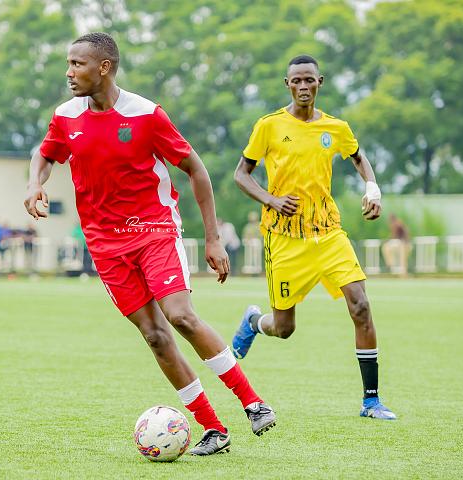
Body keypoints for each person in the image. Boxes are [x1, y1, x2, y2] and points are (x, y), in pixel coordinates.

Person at [24, 32, 276, 456]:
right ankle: (214, 430)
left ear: (104, 67)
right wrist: (35, 183)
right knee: (155, 336)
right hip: (104, 245)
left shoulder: (146, 115)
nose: (69, 72)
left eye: (77, 64)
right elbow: (45, 154)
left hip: (154, 230)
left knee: (180, 316)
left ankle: (253, 403)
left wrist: (213, 239)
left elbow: (196, 169)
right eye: (68, 63)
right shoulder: (66, 116)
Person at [231, 55, 396, 420]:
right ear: (287, 84)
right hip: (284, 239)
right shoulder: (269, 126)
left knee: (360, 305)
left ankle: (371, 401)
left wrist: (372, 188)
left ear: (320, 82)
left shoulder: (336, 127)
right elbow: (241, 174)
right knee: (284, 328)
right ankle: (255, 322)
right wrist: (271, 200)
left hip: (329, 233)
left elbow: (358, 157)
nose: (303, 86)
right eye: (297, 81)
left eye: (309, 80)